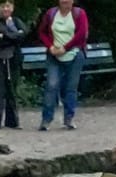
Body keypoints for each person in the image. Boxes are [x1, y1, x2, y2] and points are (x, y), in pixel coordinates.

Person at [37, 0, 88, 131]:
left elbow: (81, 35)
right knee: (51, 86)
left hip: (74, 54)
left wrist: (65, 48)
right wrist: (51, 47)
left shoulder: (79, 14)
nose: (65, 1)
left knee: (71, 87)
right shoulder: (51, 13)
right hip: (54, 56)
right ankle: (46, 120)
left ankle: (69, 118)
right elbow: (42, 32)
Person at [0, 2, 28, 130]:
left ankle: (12, 121)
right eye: (3, 6)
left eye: (8, 6)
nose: (5, 9)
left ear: (12, 8)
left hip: (13, 59)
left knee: (12, 90)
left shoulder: (17, 21)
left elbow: (24, 34)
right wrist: (13, 35)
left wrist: (4, 35)